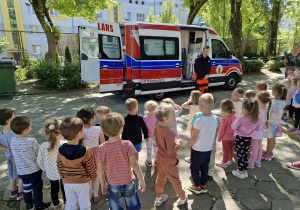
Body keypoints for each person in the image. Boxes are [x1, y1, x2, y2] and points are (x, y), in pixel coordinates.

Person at [96, 112, 146, 210]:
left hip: (113, 184)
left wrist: (103, 183)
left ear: (104, 132)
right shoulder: (127, 144)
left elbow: (99, 169)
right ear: (121, 129)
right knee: (133, 205)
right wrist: (142, 180)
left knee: (115, 206)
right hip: (128, 182)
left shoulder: (101, 149)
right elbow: (135, 164)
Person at [10, 116, 51, 210]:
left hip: (21, 171)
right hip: (34, 170)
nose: (31, 128)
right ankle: (39, 205)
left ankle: (29, 204)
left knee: (26, 187)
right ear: (25, 130)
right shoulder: (31, 141)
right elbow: (38, 154)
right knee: (37, 188)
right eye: (30, 127)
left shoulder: (12, 141)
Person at [57, 117, 97, 210]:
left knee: (70, 204)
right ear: (78, 134)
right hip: (82, 181)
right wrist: (94, 177)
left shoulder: (61, 149)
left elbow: (59, 165)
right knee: (85, 204)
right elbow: (90, 166)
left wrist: (63, 177)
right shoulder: (85, 150)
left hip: (67, 181)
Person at [154, 104, 188, 207]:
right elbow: (171, 151)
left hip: (159, 157)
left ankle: (159, 198)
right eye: (173, 115)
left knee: (160, 178)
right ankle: (183, 197)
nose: (175, 116)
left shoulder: (157, 127)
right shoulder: (169, 133)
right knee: (175, 180)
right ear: (165, 118)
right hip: (168, 160)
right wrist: (178, 143)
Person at [188, 94, 217, 194]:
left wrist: (190, 145)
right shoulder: (214, 119)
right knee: (205, 167)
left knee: (194, 168)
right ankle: (203, 185)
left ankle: (196, 186)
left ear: (201, 107)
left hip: (197, 149)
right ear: (213, 105)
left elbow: (194, 136)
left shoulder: (199, 120)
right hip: (208, 149)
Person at [76, 106, 105, 203]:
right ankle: (96, 195)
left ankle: (88, 196)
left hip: (85, 155)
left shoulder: (80, 130)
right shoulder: (98, 129)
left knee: (87, 176)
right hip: (96, 154)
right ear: (92, 118)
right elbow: (103, 143)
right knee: (95, 175)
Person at [37, 119, 65, 210]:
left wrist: (44, 169)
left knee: (54, 189)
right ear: (61, 132)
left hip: (51, 173)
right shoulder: (64, 144)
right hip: (64, 172)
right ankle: (68, 204)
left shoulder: (43, 146)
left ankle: (56, 205)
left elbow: (39, 161)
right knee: (65, 188)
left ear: (46, 133)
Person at [231, 99, 260, 179]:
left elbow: (234, 127)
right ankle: (245, 171)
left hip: (240, 138)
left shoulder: (241, 118)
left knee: (240, 155)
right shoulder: (256, 118)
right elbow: (258, 128)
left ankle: (240, 172)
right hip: (248, 138)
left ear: (245, 108)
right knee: (245, 154)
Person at [0, 108, 23, 201]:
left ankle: (13, 192)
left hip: (8, 157)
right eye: (14, 117)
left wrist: (6, 148)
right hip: (18, 157)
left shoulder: (1, 134)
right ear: (9, 120)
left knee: (12, 174)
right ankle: (21, 193)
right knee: (21, 174)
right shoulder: (14, 132)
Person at [262, 83, 287, 160]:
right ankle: (270, 152)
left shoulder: (272, 102)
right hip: (277, 124)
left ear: (275, 92)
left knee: (270, 140)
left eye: (272, 90)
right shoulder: (283, 102)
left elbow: (267, 113)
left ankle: (267, 154)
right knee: (273, 139)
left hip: (270, 124)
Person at [249, 91, 270, 168]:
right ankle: (258, 161)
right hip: (262, 132)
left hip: (256, 133)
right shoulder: (266, 109)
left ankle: (251, 163)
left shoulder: (258, 112)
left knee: (254, 149)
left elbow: (254, 123)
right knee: (259, 147)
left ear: (259, 101)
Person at [216, 100, 237, 168]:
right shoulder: (235, 117)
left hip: (226, 138)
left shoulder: (225, 119)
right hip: (234, 137)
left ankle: (224, 163)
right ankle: (229, 160)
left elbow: (222, 130)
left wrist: (219, 138)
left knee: (225, 151)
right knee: (231, 150)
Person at [143, 100, 159, 167]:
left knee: (149, 149)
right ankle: (156, 161)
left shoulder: (145, 118)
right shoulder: (158, 118)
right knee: (156, 150)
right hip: (156, 137)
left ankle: (149, 161)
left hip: (148, 137)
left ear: (147, 109)